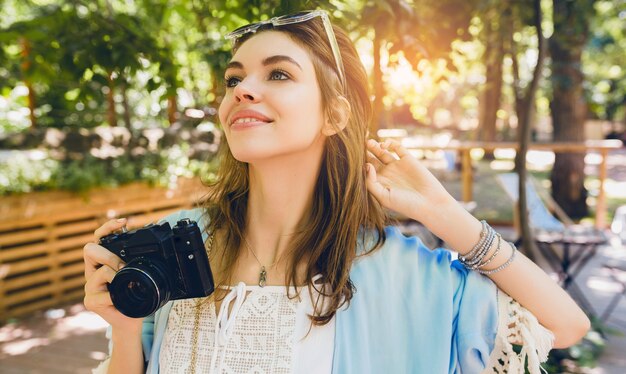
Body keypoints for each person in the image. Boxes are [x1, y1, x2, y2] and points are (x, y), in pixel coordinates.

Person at [84, 10, 590, 374]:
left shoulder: (399, 272)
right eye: (234, 77)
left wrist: (445, 214)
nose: (241, 89)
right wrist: (123, 326)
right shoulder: (178, 247)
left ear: (334, 115)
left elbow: (564, 326)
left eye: (278, 73)